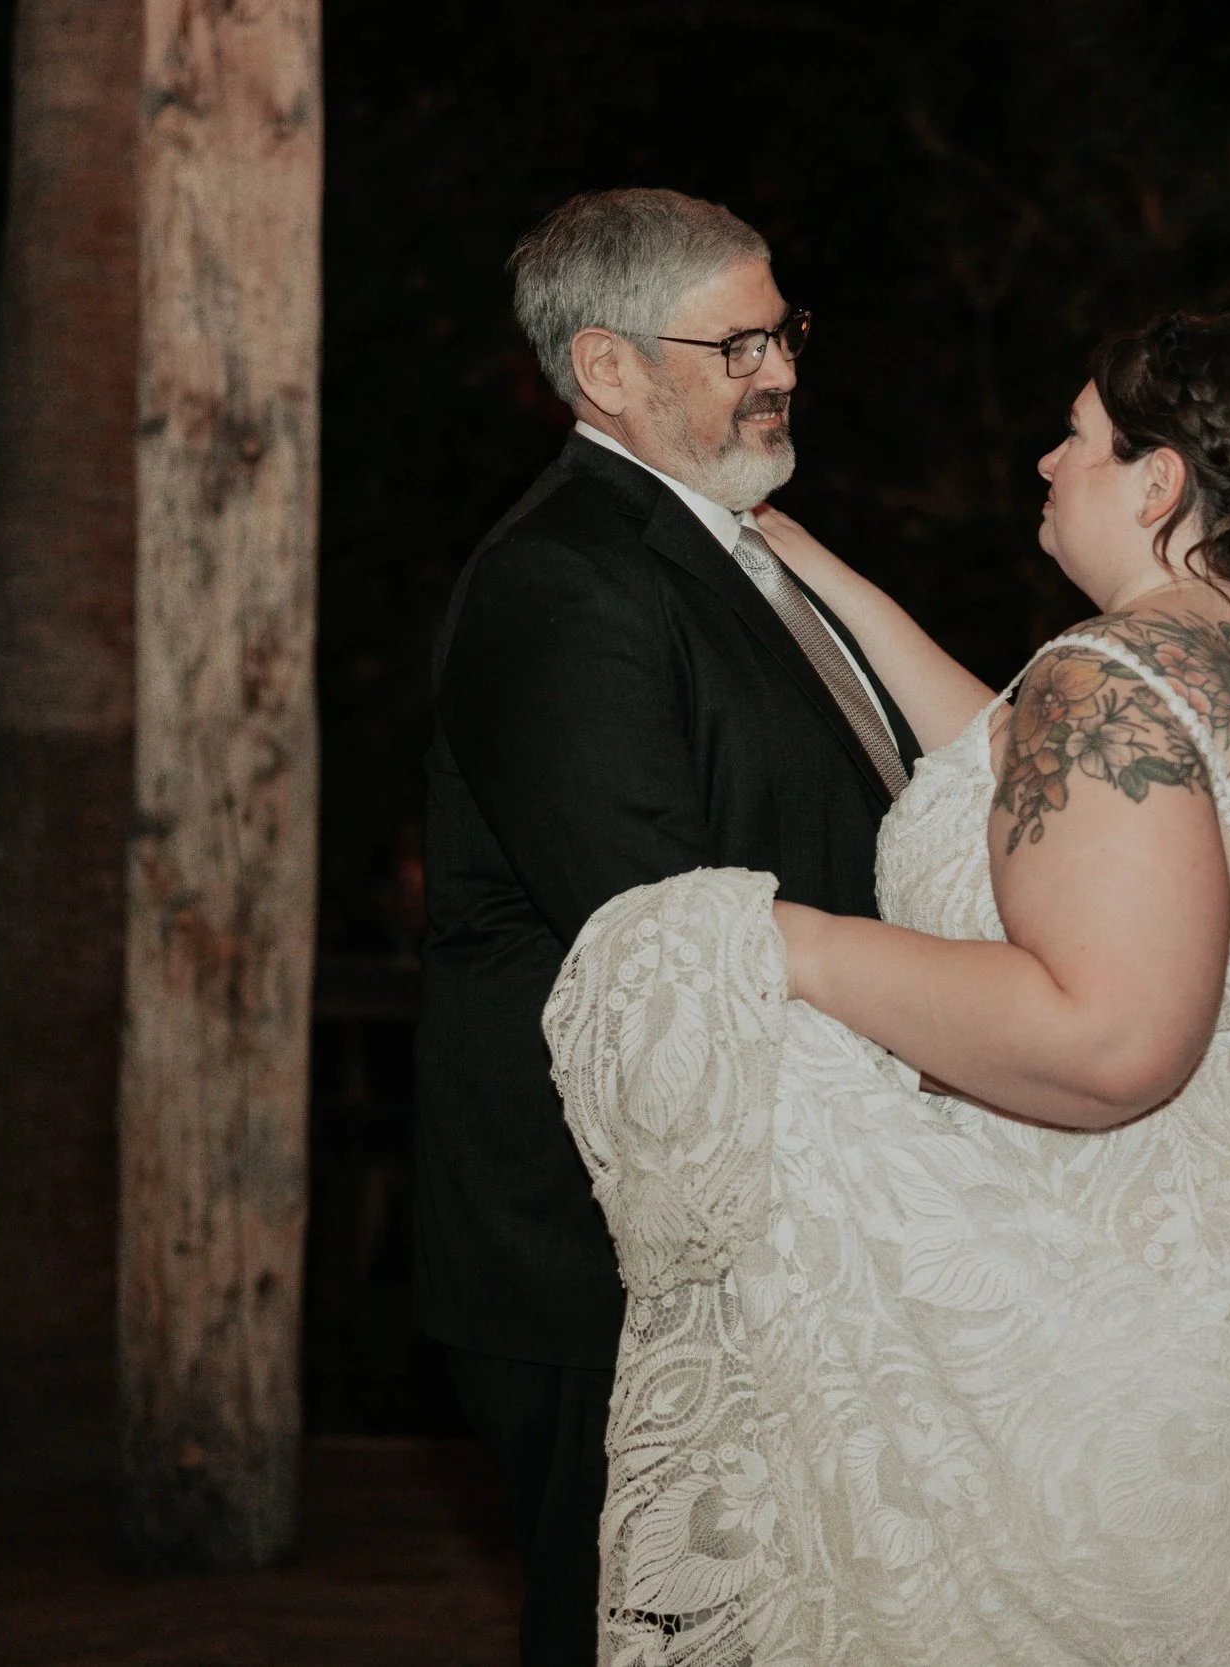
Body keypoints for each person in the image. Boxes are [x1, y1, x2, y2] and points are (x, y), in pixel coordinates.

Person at [547, 312, 1230, 1664]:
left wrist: (772, 938)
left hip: (1143, 1267)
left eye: (1077, 439)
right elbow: (1025, 780)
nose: (1045, 461)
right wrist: (813, 571)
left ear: (1157, 482)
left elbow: (1109, 1040)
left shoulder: (1113, 679)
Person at [415, 188, 919, 1667]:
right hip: (599, 1239)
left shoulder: (735, 548)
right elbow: (660, 922)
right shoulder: (563, 577)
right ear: (609, 367)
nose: (780, 368)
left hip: (762, 1200)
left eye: (784, 330)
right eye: (738, 341)